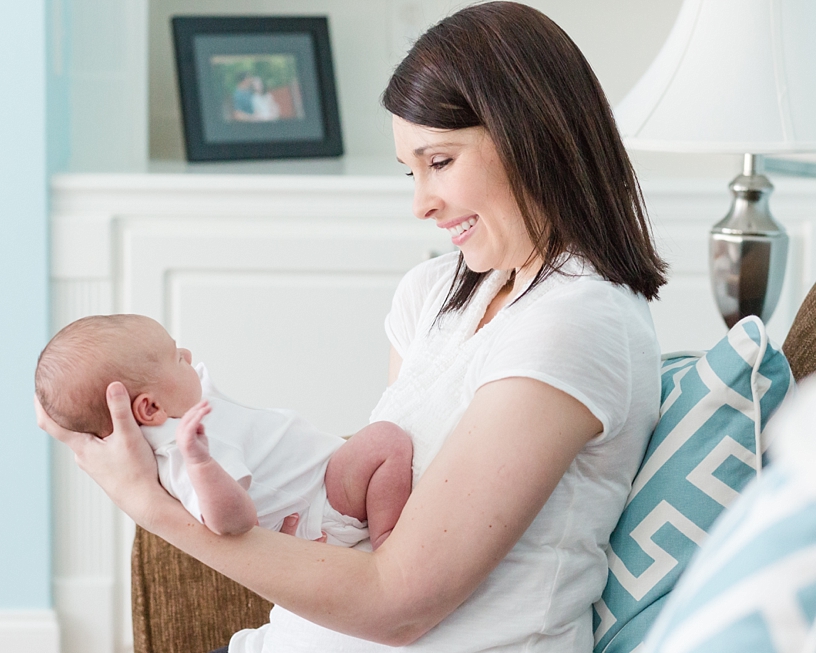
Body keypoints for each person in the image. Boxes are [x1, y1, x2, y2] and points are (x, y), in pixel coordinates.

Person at [37, 3, 669, 652]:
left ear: (531, 136)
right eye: (410, 171)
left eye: (441, 161)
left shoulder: (577, 323)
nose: (420, 202)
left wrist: (152, 507)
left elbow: (398, 603)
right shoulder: (434, 297)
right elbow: (363, 523)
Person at [35, 314, 412, 549]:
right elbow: (233, 523)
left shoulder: (181, 410)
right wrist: (201, 465)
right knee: (386, 440)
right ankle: (389, 544)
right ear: (149, 408)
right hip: (321, 503)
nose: (186, 353)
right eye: (173, 356)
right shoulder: (181, 452)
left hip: (324, 482)